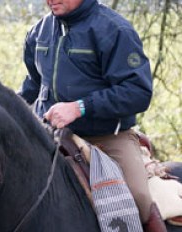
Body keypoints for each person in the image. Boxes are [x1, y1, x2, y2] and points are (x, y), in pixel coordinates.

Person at [18, 0, 167, 231]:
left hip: (106, 139)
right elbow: (33, 84)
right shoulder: (38, 32)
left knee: (139, 197)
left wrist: (79, 107)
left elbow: (138, 92)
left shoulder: (115, 30)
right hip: (48, 136)